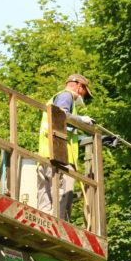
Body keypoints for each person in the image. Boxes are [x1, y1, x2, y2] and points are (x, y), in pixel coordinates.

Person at [37, 74, 95, 221]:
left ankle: (45, 226)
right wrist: (81, 120)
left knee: (46, 201)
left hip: (46, 154)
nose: (83, 98)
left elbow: (68, 134)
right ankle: (59, 228)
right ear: (78, 86)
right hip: (60, 158)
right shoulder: (66, 96)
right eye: (84, 93)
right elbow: (62, 114)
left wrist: (104, 140)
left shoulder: (56, 98)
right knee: (62, 199)